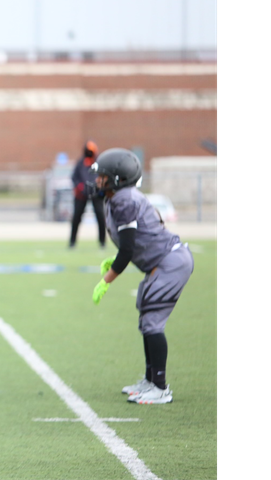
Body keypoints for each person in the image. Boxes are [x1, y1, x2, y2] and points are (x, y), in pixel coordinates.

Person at [90, 148, 194, 405]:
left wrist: (106, 280)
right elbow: (133, 244)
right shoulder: (119, 197)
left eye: (103, 176)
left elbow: (127, 250)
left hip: (170, 262)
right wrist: (113, 262)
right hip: (165, 261)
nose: (98, 180)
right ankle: (150, 380)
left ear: (118, 178)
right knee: (147, 319)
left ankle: (160, 387)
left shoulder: (124, 200)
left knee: (152, 322)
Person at [69, 141, 106, 249]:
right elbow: (74, 177)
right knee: (76, 218)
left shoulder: (98, 163)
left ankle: (102, 242)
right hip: (81, 195)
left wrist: (99, 187)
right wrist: (80, 187)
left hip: (96, 194)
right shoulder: (80, 163)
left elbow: (103, 176)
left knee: (100, 217)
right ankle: (72, 242)